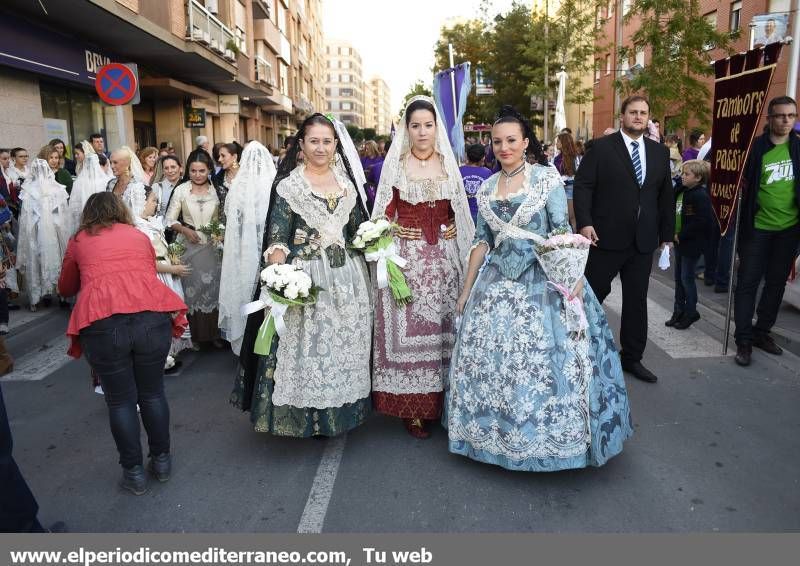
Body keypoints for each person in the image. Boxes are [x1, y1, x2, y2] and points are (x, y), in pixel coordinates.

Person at [447, 106, 632, 471]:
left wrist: (574, 279)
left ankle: (553, 442)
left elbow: (562, 232)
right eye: (497, 141)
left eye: (511, 140)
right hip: (496, 281)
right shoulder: (485, 189)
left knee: (552, 361)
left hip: (545, 280)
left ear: (525, 142)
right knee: (498, 363)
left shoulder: (546, 180)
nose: (504, 147)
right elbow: (481, 242)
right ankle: (497, 437)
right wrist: (466, 291)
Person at [231, 114, 372, 437]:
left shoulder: (347, 185)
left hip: (348, 280)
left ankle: (342, 414)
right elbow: (278, 236)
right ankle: (306, 420)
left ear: (336, 145)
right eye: (314, 141)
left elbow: (355, 233)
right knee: (309, 351)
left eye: (327, 141)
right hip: (308, 281)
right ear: (302, 144)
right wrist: (278, 276)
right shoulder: (289, 186)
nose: (321, 148)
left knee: (343, 348)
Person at [58, 192, 186, 495]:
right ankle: (163, 460)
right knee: (153, 393)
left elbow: (65, 287)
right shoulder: (137, 235)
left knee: (120, 401)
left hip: (103, 321)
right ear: (121, 211)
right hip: (150, 316)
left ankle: (134, 473)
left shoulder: (79, 240)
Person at [371, 96, 475, 438]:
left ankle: (446, 402)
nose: (422, 131)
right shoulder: (397, 167)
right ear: (407, 129)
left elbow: (458, 209)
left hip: (445, 264)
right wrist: (393, 229)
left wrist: (455, 226)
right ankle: (413, 408)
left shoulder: (448, 164)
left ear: (436, 128)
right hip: (409, 263)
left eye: (428, 125)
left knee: (443, 333)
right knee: (414, 334)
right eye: (415, 125)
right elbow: (381, 217)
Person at [574, 95, 674, 383]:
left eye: (643, 112)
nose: (638, 117)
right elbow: (583, 186)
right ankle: (580, 349)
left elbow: (665, 196)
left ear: (649, 117)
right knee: (591, 297)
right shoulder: (602, 148)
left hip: (642, 242)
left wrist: (666, 236)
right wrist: (585, 223)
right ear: (622, 116)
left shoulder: (659, 153)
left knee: (636, 302)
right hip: (604, 238)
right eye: (633, 112)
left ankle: (632, 358)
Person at [733, 96, 800, 366]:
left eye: (791, 116)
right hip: (758, 228)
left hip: (789, 229)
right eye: (780, 116)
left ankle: (762, 332)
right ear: (770, 118)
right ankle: (744, 340)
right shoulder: (755, 149)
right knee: (748, 283)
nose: (786, 121)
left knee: (775, 284)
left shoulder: (798, 148)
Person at [218, 142, 276, 355]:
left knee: (245, 291)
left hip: (244, 250)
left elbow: (234, 223)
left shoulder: (238, 186)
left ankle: (245, 341)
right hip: (268, 248)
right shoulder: (273, 184)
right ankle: (266, 340)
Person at [165, 152, 223, 348]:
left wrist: (220, 233)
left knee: (213, 289)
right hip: (189, 246)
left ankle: (214, 334)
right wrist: (185, 230)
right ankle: (195, 337)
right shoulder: (181, 190)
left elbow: (225, 218)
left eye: (202, 171)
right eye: (193, 171)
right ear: (187, 170)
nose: (198, 175)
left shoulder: (218, 191)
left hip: (213, 247)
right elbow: (169, 219)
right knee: (192, 291)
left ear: (209, 170)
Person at [135, 189, 192, 370]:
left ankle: (168, 353)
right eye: (152, 200)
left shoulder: (150, 223)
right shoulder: (139, 229)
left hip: (166, 272)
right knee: (161, 316)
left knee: (170, 314)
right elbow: (147, 261)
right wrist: (172, 268)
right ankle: (162, 358)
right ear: (140, 202)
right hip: (157, 275)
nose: (156, 204)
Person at [16, 155, 70, 311]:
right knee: (44, 260)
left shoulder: (54, 188)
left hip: (49, 231)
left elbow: (62, 213)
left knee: (47, 260)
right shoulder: (32, 190)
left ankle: (53, 294)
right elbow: (26, 216)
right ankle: (53, 295)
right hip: (43, 231)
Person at [666, 160, 713, 330]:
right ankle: (678, 311)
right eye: (683, 173)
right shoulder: (682, 191)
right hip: (680, 242)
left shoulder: (699, 195)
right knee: (679, 279)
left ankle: (691, 311)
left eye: (687, 174)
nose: (683, 177)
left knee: (687, 279)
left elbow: (700, 221)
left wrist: (681, 234)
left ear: (698, 177)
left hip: (690, 243)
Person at [66, 141, 112, 237]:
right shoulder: (105, 181)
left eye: (77, 153)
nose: (75, 156)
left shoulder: (80, 182)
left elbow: (74, 207)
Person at [107, 146, 149, 218]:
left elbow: (138, 216)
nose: (112, 166)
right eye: (110, 162)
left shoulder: (137, 185)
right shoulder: (111, 184)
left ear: (127, 163)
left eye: (115, 162)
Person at [553, 132, 581, 230]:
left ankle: (574, 241)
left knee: (571, 218)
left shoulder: (574, 157)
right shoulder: (556, 158)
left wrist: (564, 179)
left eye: (558, 142)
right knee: (562, 217)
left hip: (570, 189)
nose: (556, 144)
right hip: (558, 189)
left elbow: (576, 175)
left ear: (564, 143)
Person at [458, 143, 492, 222]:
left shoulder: (459, 171)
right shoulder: (487, 173)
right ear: (483, 158)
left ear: (467, 156)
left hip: (462, 215)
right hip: (481, 216)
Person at [211, 142, 243, 222]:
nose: (219, 159)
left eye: (223, 156)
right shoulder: (217, 178)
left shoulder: (246, 177)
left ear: (234, 157)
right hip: (223, 225)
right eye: (219, 156)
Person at [152, 155, 182, 219]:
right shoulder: (157, 188)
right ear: (163, 171)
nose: (170, 171)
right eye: (166, 168)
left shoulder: (188, 185)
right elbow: (149, 212)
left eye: (173, 167)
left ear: (180, 168)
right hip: (164, 227)